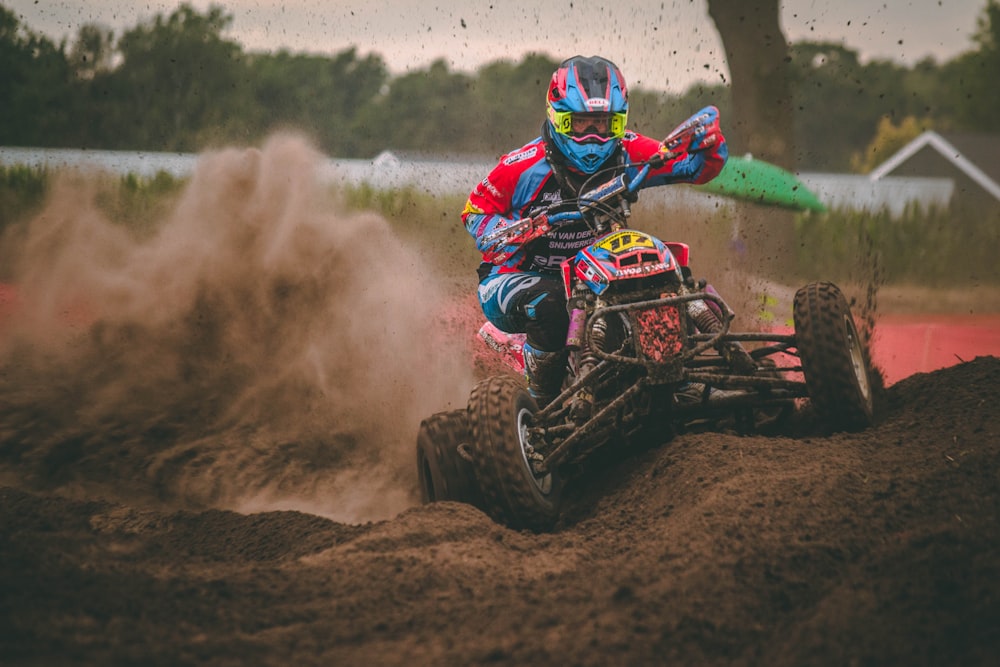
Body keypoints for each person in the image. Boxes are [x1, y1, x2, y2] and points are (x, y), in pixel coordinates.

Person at [461, 55, 729, 406]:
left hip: (595, 274)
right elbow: (475, 211)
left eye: (604, 125)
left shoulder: (629, 150)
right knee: (554, 304)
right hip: (516, 276)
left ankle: (679, 377)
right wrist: (510, 231)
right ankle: (539, 403)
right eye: (581, 123)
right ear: (558, 118)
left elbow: (693, 169)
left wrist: (710, 146)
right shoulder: (523, 166)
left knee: (660, 271)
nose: (593, 136)